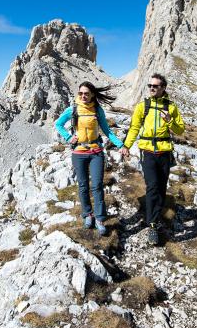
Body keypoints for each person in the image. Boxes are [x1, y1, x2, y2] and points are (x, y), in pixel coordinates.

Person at [120, 73, 185, 245]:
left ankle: (157, 214)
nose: (151, 88)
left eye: (155, 86)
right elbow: (134, 127)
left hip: (164, 152)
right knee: (153, 186)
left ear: (163, 88)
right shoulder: (143, 106)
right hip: (147, 151)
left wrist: (170, 121)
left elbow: (180, 130)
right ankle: (152, 225)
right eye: (150, 85)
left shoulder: (171, 107)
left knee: (162, 187)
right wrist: (126, 146)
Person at [55, 82, 124, 236]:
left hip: (96, 152)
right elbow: (58, 124)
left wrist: (120, 145)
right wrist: (68, 137)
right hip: (78, 152)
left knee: (97, 185)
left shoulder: (97, 110)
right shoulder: (72, 109)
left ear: (92, 94)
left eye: (86, 93)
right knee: (83, 186)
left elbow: (106, 130)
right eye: (81, 93)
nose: (83, 96)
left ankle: (99, 219)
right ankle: (88, 215)